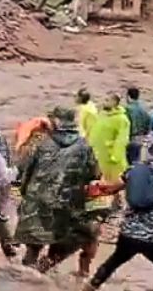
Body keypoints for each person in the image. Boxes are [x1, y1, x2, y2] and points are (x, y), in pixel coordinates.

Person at [84, 137, 153, 291]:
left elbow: (111, 188)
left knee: (114, 261)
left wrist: (95, 188)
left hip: (127, 233)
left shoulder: (134, 170)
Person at [15, 106, 100, 275]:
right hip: (67, 204)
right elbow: (94, 173)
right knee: (72, 237)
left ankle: (25, 276)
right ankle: (46, 266)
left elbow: (25, 169)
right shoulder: (84, 146)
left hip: (37, 203)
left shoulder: (42, 143)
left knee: (33, 246)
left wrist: (25, 194)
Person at [124, 87, 151, 164]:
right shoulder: (143, 109)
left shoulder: (127, 109)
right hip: (140, 138)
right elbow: (149, 122)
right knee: (137, 160)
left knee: (128, 161)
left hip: (130, 138)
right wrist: (145, 133)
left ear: (128, 97)